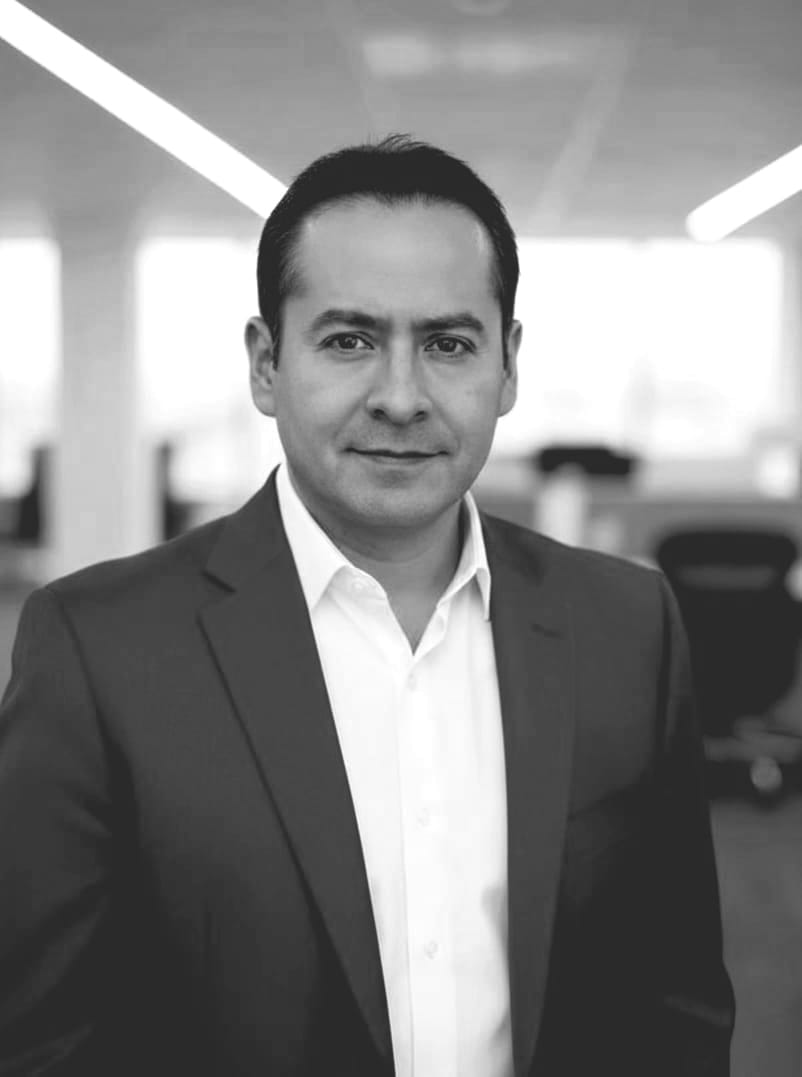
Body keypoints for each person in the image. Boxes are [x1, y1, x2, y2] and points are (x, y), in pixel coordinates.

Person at [0, 135, 734, 1076]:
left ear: (508, 366)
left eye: (448, 344)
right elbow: (41, 1039)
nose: (400, 396)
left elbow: (675, 1002)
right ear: (266, 364)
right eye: (348, 340)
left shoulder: (627, 627)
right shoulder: (99, 649)